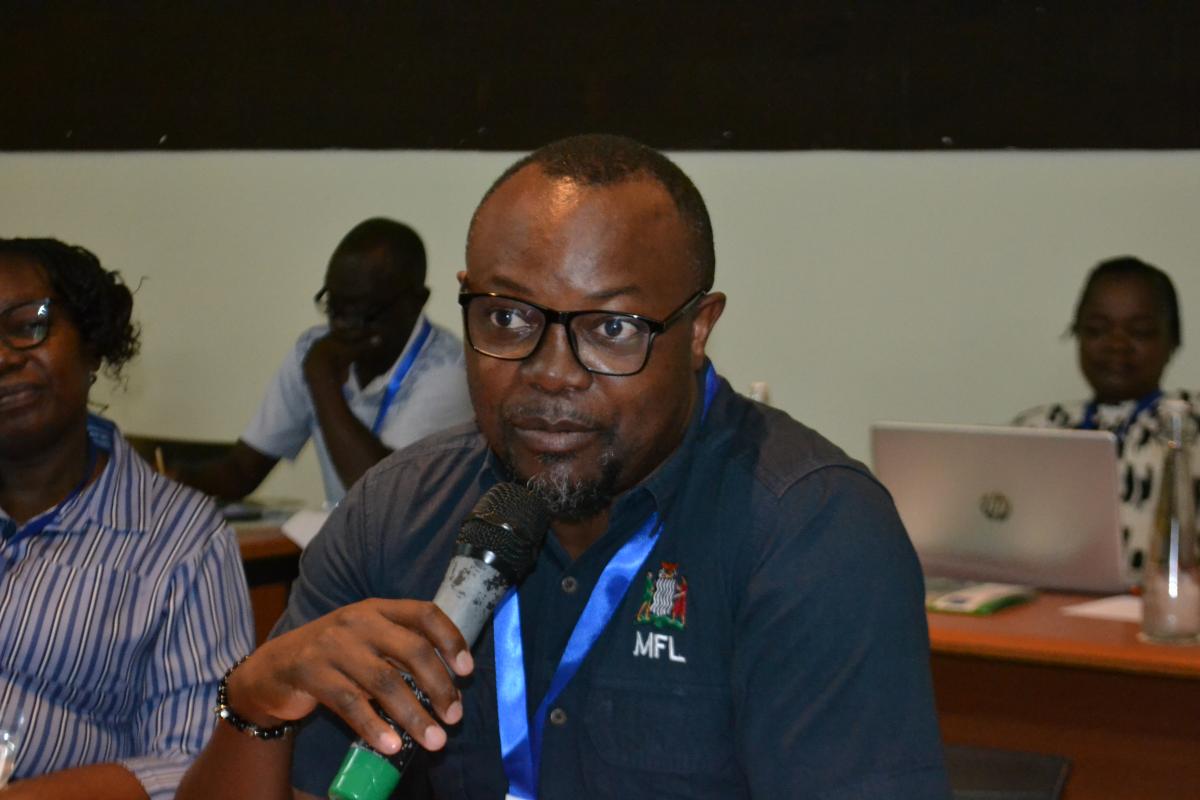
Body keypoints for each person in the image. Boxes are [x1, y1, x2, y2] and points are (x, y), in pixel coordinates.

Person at [178, 135, 948, 799]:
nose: (550, 373)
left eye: (611, 328)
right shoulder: (394, 514)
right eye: (508, 317)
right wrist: (257, 700)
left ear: (698, 329)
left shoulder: (812, 532)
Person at [0, 238, 254, 799]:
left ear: (93, 343)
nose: (3, 357)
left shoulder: (183, 543)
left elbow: (196, 765)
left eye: (28, 326)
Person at [174, 218, 474, 505]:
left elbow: (382, 500)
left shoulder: (450, 371)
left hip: (421, 541)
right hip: (348, 536)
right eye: (334, 307)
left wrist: (323, 381)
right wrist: (170, 480)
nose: (342, 326)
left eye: (362, 313)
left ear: (415, 302)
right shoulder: (315, 349)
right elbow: (242, 471)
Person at [1014, 256, 1199, 583]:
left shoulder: (1189, 425)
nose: (1117, 344)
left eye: (1140, 332)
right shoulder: (1036, 429)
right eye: (1097, 330)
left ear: (1173, 341)